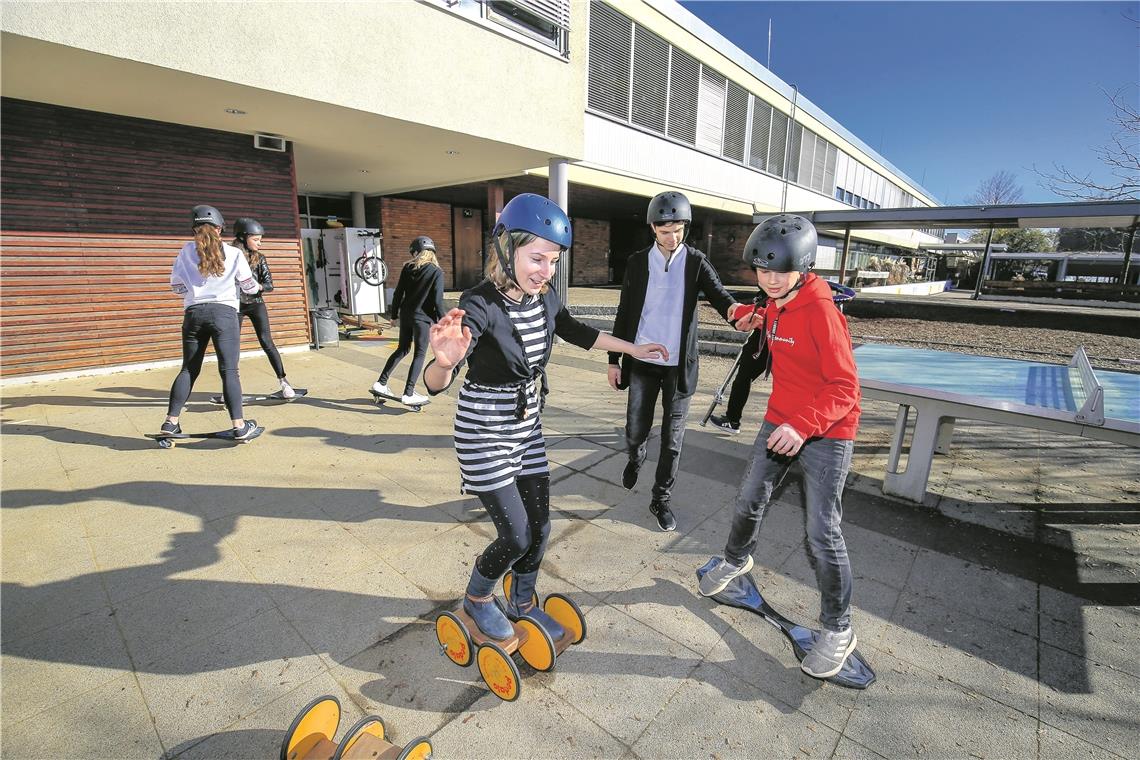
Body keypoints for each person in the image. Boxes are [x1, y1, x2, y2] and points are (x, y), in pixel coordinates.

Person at [424, 193, 668, 642]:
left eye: (553, 261)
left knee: (541, 526)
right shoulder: (480, 303)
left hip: (525, 425)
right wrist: (444, 362)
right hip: (484, 431)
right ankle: (477, 599)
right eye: (537, 258)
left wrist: (631, 349)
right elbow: (434, 384)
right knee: (515, 536)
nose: (546, 272)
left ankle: (522, 596)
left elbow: (575, 331)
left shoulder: (544, 298)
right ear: (505, 247)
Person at [698, 214, 862, 680]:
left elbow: (845, 388)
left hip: (828, 431)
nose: (769, 279)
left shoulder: (821, 313)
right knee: (750, 497)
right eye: (762, 271)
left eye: (779, 271)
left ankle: (839, 630)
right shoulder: (776, 303)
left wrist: (804, 426)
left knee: (821, 531)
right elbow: (759, 317)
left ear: (803, 267)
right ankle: (735, 560)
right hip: (782, 420)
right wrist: (740, 314)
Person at [608, 190, 751, 532]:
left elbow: (721, 296)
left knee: (673, 440)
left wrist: (738, 314)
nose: (671, 237)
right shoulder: (637, 263)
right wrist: (615, 358)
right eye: (664, 230)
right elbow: (625, 312)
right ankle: (635, 455)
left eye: (678, 230)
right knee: (635, 430)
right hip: (641, 360)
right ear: (653, 229)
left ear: (686, 228)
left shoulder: (696, 262)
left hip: (678, 368)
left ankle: (661, 498)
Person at [162, 205, 261, 439]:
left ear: (194, 229)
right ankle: (239, 425)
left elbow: (176, 287)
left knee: (188, 369)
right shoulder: (234, 253)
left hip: (194, 314)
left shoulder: (185, 252)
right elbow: (248, 285)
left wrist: (193, 289)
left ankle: (170, 422)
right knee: (229, 370)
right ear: (219, 229)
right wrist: (257, 288)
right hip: (224, 314)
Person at [371, 235, 445, 406]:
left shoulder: (408, 268)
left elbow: (398, 294)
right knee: (419, 354)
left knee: (402, 349)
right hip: (422, 319)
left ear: (417, 253)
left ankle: (381, 383)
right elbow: (438, 301)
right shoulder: (436, 272)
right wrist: (444, 322)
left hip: (406, 316)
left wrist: (394, 315)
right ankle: (409, 393)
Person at [232, 217, 297, 399]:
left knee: (266, 341)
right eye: (256, 240)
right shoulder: (229, 256)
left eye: (261, 240)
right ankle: (229, 388)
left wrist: (258, 286)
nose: (260, 244)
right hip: (234, 305)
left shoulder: (259, 258)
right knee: (231, 347)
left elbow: (269, 284)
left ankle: (284, 382)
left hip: (255, 304)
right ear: (244, 238)